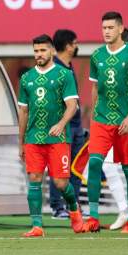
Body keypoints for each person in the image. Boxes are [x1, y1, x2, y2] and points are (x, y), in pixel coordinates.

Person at [84, 11, 128, 233]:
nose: (107, 32)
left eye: (111, 28)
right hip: (101, 120)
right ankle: (92, 217)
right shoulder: (96, 56)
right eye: (104, 28)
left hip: (127, 122)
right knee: (93, 163)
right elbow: (94, 87)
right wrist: (93, 115)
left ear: (121, 29)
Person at [17, 35, 84, 237]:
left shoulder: (64, 74)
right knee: (34, 179)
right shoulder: (27, 78)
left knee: (61, 183)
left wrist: (61, 124)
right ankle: (37, 226)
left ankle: (74, 210)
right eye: (36, 51)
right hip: (33, 138)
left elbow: (73, 106)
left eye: (43, 50)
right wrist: (21, 141)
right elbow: (24, 112)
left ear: (52, 51)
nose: (39, 54)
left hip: (58, 139)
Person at [47, 29, 86, 219]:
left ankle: (73, 206)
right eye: (75, 42)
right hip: (63, 127)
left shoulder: (68, 67)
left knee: (75, 168)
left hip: (76, 127)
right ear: (68, 46)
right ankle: (58, 207)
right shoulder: (54, 69)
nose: (77, 46)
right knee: (59, 168)